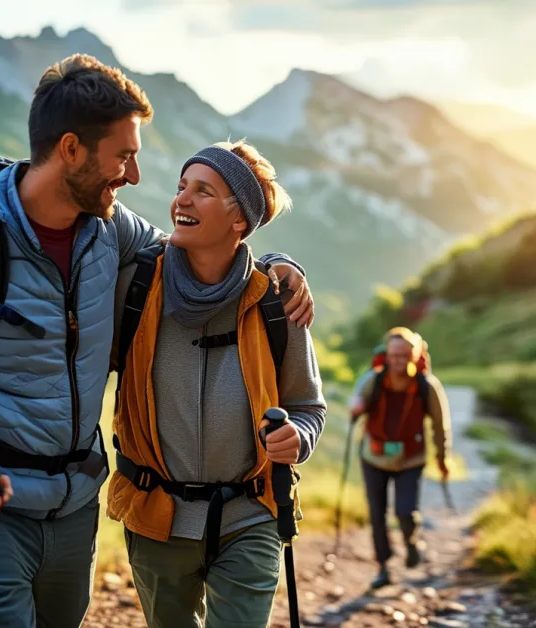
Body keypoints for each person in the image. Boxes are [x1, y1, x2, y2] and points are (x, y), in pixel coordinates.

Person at [0, 54, 314, 627]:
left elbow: (198, 256)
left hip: (76, 510)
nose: (134, 177)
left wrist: (276, 266)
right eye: (124, 157)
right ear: (72, 150)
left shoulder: (110, 229)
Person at [106, 139, 327, 628]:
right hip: (157, 517)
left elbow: (308, 406)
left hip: (250, 517)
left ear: (239, 219)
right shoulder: (136, 288)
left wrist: (299, 436)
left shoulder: (275, 301)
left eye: (202, 191)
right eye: (181, 186)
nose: (181, 199)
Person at [349, 327, 451, 589]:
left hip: (411, 459)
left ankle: (411, 542)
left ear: (414, 356)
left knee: (405, 512)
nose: (399, 360)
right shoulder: (373, 380)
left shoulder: (427, 386)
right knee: (377, 515)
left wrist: (442, 459)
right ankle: (383, 567)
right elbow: (356, 402)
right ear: (387, 355)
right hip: (374, 457)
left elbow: (440, 426)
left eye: (404, 355)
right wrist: (356, 409)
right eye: (394, 355)